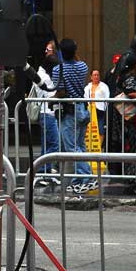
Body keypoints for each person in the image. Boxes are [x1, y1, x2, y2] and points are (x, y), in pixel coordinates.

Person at [51, 38, 96, 194]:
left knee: (71, 148)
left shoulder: (58, 69)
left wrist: (51, 98)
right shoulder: (83, 66)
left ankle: (88, 176)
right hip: (83, 108)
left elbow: (61, 92)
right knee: (80, 145)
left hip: (70, 112)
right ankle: (79, 180)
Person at [114, 53, 136, 194]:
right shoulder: (129, 77)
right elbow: (131, 92)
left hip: (124, 120)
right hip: (130, 120)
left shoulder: (122, 76)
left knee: (130, 149)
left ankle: (132, 181)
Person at [84, 70, 110, 147]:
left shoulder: (104, 86)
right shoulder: (87, 87)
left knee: (100, 129)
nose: (96, 77)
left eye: (97, 75)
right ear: (91, 77)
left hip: (100, 110)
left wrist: (105, 108)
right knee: (89, 129)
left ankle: (99, 147)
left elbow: (107, 98)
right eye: (94, 75)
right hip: (89, 110)